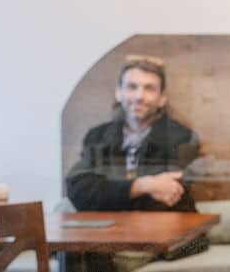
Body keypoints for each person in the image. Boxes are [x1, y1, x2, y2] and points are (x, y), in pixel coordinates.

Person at [67, 56, 200, 212]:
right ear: (118, 92)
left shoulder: (181, 137)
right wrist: (143, 185)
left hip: (164, 231)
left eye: (149, 88)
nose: (139, 96)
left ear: (162, 98)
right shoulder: (97, 136)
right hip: (110, 231)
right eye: (131, 87)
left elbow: (169, 197)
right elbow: (79, 191)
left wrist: (109, 192)